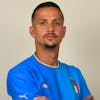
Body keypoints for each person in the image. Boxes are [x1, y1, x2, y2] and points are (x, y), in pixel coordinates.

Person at [7, 1, 94, 100]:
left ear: (63, 31)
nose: (50, 28)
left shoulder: (75, 73)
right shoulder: (20, 74)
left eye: (56, 23)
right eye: (43, 23)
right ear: (32, 31)